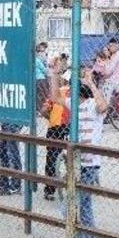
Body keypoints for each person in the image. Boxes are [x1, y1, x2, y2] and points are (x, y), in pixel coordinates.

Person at [70, 71, 107, 238]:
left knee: (80, 206)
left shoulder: (92, 105)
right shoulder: (75, 106)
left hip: (90, 164)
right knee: (80, 206)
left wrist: (91, 84)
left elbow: (103, 105)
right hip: (76, 163)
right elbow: (55, 98)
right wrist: (53, 73)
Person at [41, 60, 71, 200]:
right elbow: (45, 110)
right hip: (68, 127)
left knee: (52, 158)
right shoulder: (73, 92)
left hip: (56, 127)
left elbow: (44, 111)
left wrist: (50, 115)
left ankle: (50, 189)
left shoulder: (58, 92)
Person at [0, 123, 23, 196]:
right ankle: (3, 181)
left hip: (14, 124)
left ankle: (16, 185)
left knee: (13, 154)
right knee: (1, 152)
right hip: (5, 123)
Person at [102, 38, 119, 103]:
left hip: (110, 81)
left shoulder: (117, 55)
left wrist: (106, 57)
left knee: (105, 102)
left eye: (110, 46)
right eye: (109, 46)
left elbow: (108, 71)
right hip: (116, 80)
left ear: (116, 45)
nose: (109, 48)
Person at [35, 42, 49, 112]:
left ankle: (38, 109)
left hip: (35, 79)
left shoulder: (32, 59)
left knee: (37, 95)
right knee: (44, 95)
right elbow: (44, 69)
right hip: (41, 78)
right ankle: (43, 110)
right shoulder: (38, 59)